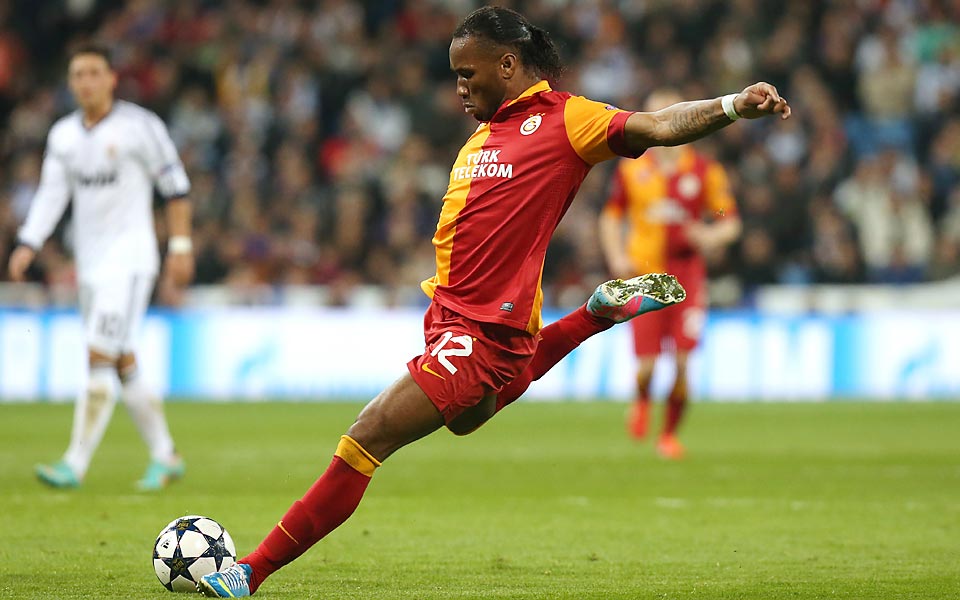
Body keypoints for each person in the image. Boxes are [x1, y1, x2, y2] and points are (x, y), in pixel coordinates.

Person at [198, 6, 789, 597]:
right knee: (467, 419)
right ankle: (593, 315)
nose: (459, 87)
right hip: (450, 320)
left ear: (507, 64)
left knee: (368, 435)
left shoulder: (566, 119)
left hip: (480, 331)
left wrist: (733, 106)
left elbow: (658, 125)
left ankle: (250, 571)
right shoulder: (482, 136)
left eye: (467, 73)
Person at [7, 45, 194, 491]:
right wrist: (29, 241)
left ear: (112, 78)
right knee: (122, 358)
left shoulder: (140, 127)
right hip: (89, 264)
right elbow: (52, 194)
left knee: (98, 355)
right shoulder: (63, 136)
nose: (86, 82)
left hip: (130, 261)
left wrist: (181, 246)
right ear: (70, 83)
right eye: (78, 74)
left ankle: (74, 463)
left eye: (94, 72)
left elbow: (176, 188)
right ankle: (166, 455)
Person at [600, 88, 742, 459]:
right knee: (646, 368)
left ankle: (668, 436)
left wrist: (711, 233)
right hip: (644, 276)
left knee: (681, 363)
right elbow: (612, 216)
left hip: (687, 278)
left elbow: (727, 217)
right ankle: (642, 398)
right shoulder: (632, 169)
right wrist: (616, 255)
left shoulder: (704, 171)